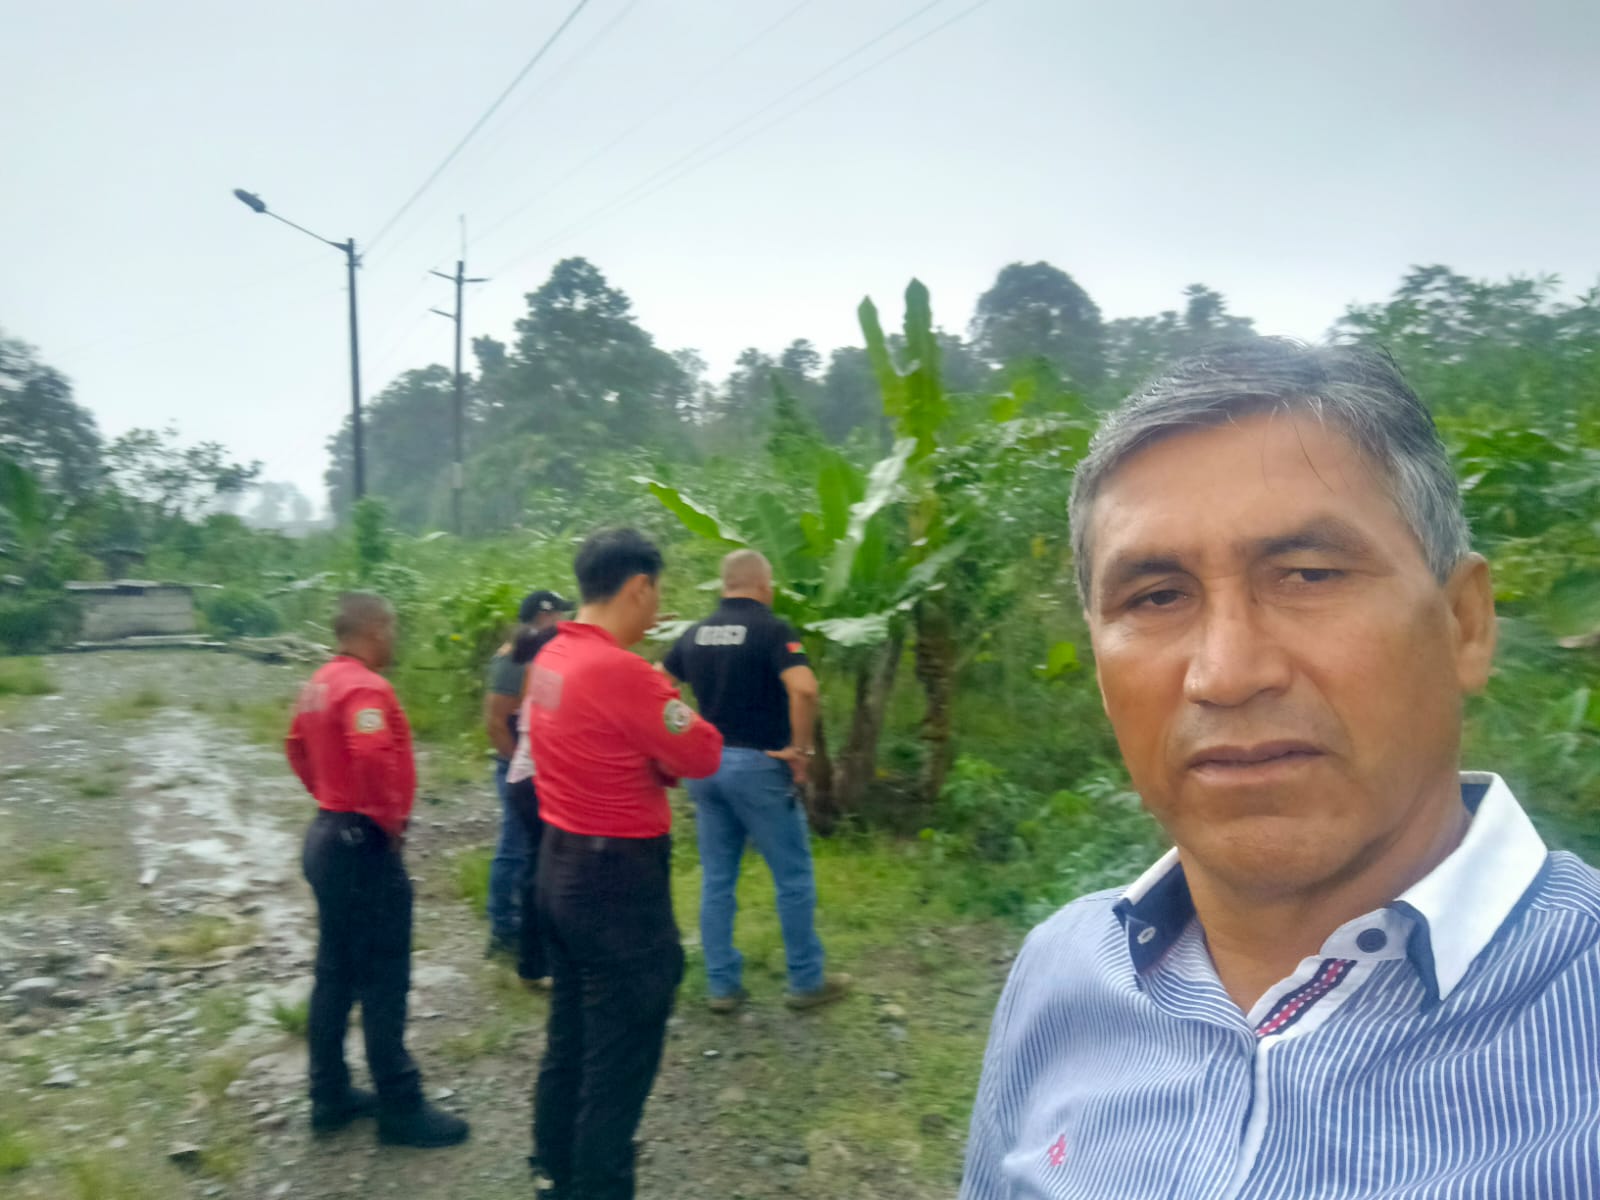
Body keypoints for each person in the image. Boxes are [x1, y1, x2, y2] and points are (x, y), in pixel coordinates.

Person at [959, 339, 1600, 1198]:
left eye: (1307, 574)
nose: (1226, 674)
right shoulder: (1060, 972)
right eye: (1157, 597)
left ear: (1464, 625)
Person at [527, 527, 724, 1200]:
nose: (658, 606)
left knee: (570, 1040)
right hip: (616, 886)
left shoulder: (553, 657)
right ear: (638, 587)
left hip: (559, 864)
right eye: (657, 593)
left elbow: (612, 749)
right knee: (618, 1063)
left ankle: (553, 1173)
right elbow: (701, 751)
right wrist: (668, 710)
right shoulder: (621, 672)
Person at [285, 592, 469, 1149]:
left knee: (335, 972)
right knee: (385, 976)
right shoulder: (366, 688)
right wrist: (386, 820)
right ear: (374, 630)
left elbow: (295, 747)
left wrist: (329, 797)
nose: (395, 638)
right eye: (392, 628)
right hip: (360, 842)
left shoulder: (319, 683)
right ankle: (400, 1106)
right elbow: (369, 756)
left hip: (327, 834)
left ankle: (329, 1094)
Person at [663, 549, 850, 1012]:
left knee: (717, 878)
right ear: (765, 586)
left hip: (705, 766)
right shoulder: (772, 629)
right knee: (792, 876)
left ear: (725, 584)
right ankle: (805, 981)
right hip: (758, 766)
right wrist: (801, 751)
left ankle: (722, 986)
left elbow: (655, 685)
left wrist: (682, 735)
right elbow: (804, 688)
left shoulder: (695, 632)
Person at [483, 588, 574, 959]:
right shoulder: (514, 660)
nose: (565, 621)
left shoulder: (536, 655)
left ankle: (521, 923)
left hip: (529, 764)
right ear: (544, 616)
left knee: (527, 849)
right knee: (515, 847)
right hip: (520, 766)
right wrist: (515, 763)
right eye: (560, 614)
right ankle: (503, 925)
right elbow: (495, 720)